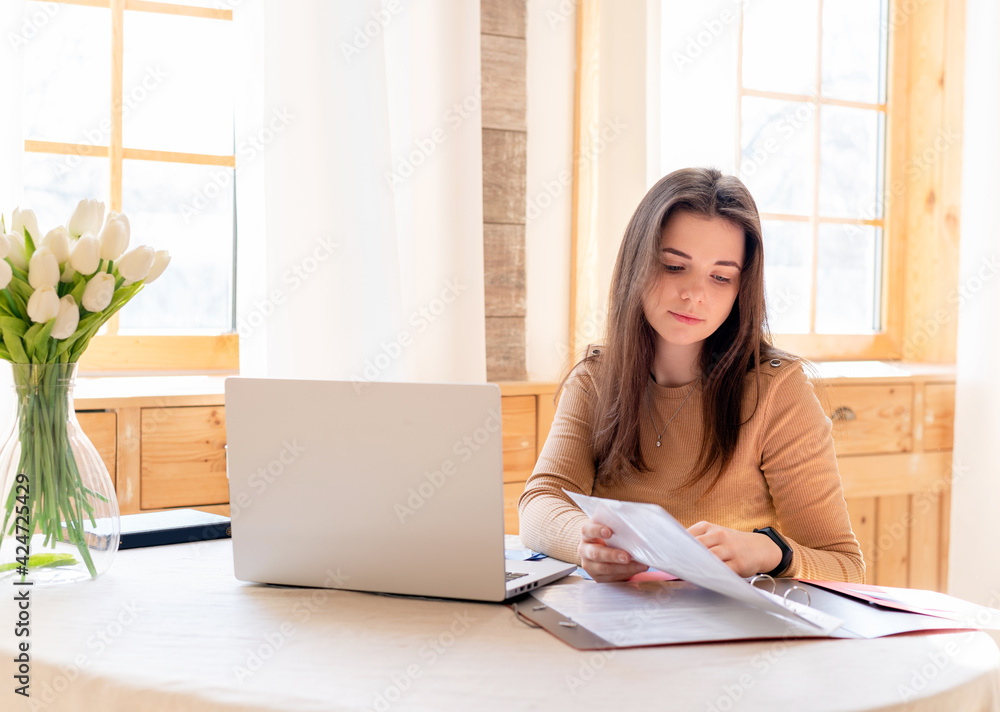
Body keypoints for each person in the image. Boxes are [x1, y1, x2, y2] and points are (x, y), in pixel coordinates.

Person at [518, 167, 865, 584]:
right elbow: (539, 502)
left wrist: (770, 551)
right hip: (619, 629)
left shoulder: (776, 389)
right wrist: (587, 541)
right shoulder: (596, 379)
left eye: (721, 277)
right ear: (637, 264)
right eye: (673, 266)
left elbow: (845, 566)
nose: (695, 294)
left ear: (741, 289)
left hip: (733, 636)